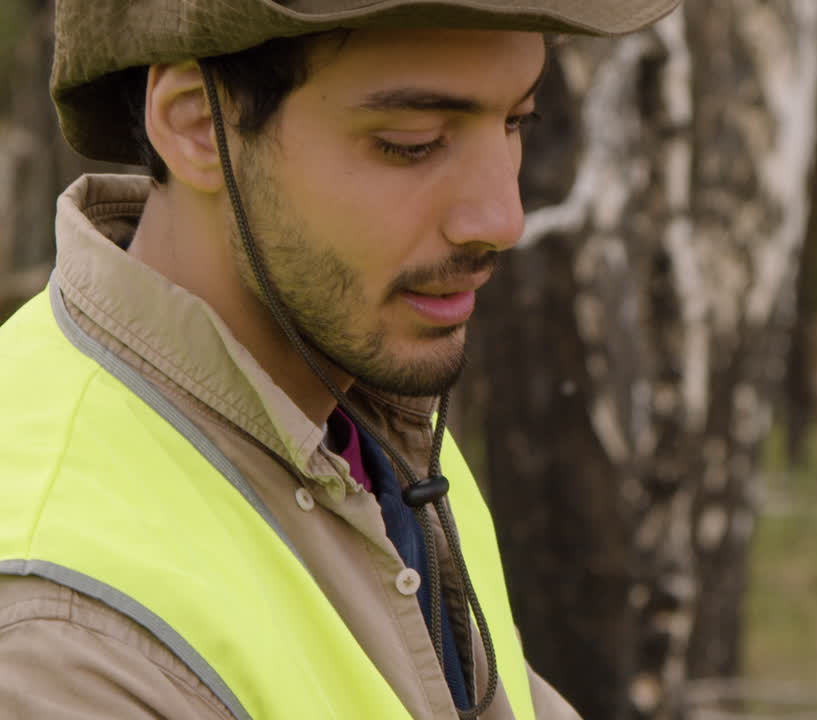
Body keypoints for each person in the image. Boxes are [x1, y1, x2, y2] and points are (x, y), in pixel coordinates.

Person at [0, 1, 678, 718]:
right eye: (412, 142)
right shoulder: (62, 639)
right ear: (199, 124)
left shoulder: (366, 419)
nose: (501, 219)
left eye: (515, 122)